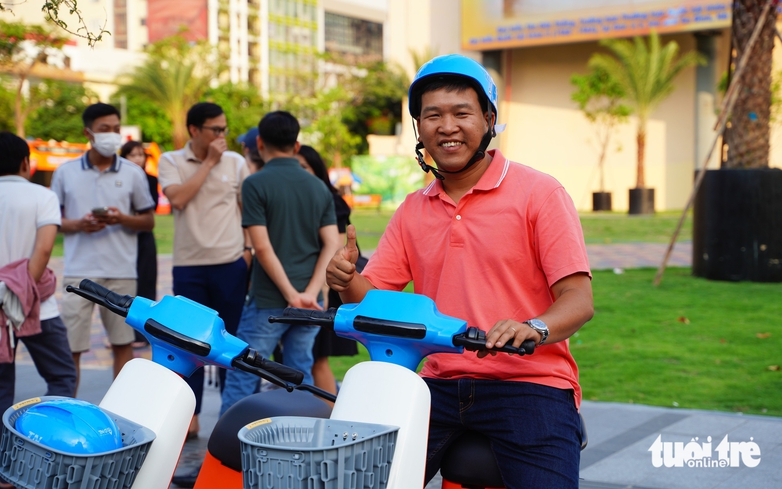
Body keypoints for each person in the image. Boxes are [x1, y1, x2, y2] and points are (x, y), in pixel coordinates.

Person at [326, 55, 594, 488]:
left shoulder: (540, 193)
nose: (446, 126)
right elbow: (371, 302)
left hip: (529, 383)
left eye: (461, 113)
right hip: (436, 383)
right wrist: (345, 281)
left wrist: (534, 328)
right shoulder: (414, 209)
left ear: (488, 119)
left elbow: (579, 301)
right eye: (432, 115)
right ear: (420, 130)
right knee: (352, 478)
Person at [220, 111, 341, 416]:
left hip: (269, 300)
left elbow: (261, 247)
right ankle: (302, 444)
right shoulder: (318, 187)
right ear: (297, 145)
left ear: (259, 143)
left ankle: (225, 455)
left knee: (243, 373)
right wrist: (310, 294)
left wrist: (290, 295)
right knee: (299, 373)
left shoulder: (256, 184)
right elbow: (332, 243)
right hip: (311, 303)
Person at [157, 102, 251, 438]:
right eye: (216, 130)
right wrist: (210, 162)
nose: (222, 136)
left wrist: (247, 251)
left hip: (230, 264)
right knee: (187, 344)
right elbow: (178, 199)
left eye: (225, 129)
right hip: (189, 266)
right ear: (195, 130)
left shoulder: (237, 162)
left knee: (230, 343)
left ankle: (232, 419)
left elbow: (246, 210)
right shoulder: (170, 160)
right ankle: (189, 417)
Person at [50, 103, 156, 394]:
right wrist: (79, 225)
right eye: (104, 129)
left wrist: (120, 218)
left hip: (122, 271)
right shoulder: (65, 173)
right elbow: (53, 220)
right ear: (88, 133)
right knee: (72, 347)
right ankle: (65, 410)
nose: (112, 135)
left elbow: (148, 220)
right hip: (78, 273)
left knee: (123, 345)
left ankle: (119, 412)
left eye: (116, 129)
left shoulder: (134, 173)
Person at [0, 132, 78, 418]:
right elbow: (43, 250)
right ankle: (41, 440)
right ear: (25, 162)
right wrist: (20, 294)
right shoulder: (42, 196)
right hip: (37, 307)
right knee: (61, 377)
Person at [296, 145, 359, 396]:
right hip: (307, 288)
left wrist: (320, 291)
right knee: (306, 358)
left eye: (303, 167)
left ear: (316, 169)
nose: (298, 173)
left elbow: (339, 250)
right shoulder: (299, 199)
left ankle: (331, 414)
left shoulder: (330, 200)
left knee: (317, 358)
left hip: (326, 288)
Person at [120, 141, 158, 348]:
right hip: (123, 238)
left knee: (145, 285)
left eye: (140, 155)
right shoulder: (118, 180)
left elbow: (147, 210)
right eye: (132, 155)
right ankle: (121, 335)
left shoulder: (150, 180)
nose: (137, 159)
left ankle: (142, 334)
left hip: (143, 239)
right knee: (122, 285)